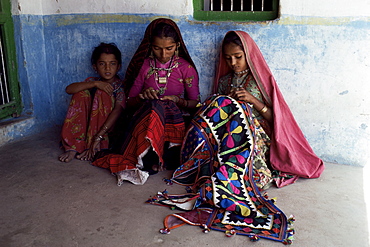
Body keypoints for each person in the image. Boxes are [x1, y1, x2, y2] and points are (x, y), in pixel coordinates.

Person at [146, 31, 324, 244]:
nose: (233, 62)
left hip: (256, 139)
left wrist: (252, 102)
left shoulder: (261, 80)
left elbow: (276, 120)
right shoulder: (225, 82)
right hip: (229, 140)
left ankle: (236, 174)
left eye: (238, 57)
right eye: (228, 58)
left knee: (248, 163)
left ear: (248, 54)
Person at [92, 18, 200, 185]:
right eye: (157, 48)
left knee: (165, 106)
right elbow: (129, 102)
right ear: (150, 46)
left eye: (169, 49)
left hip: (173, 120)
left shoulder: (186, 68)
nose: (163, 55)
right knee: (154, 107)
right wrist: (143, 97)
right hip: (146, 118)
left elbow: (196, 104)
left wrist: (177, 100)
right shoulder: (144, 66)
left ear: (177, 46)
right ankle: (150, 158)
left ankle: (160, 156)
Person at [58, 43, 125, 163]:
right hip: (90, 124)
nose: (107, 68)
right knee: (80, 93)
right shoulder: (93, 82)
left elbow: (118, 110)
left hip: (108, 129)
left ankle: (94, 146)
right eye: (102, 64)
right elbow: (69, 89)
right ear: (95, 67)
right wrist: (95, 84)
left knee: (103, 94)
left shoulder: (120, 86)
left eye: (112, 63)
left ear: (119, 66)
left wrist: (98, 136)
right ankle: (74, 146)